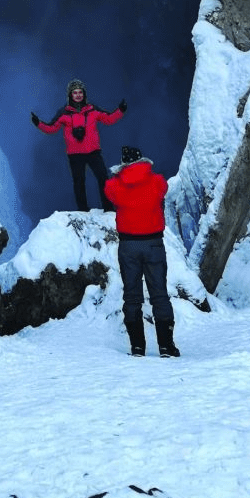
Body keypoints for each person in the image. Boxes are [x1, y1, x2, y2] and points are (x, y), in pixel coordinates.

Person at [104, 145, 180, 358]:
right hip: (154, 244)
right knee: (160, 295)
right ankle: (166, 346)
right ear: (142, 160)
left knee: (132, 296)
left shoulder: (115, 186)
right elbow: (163, 187)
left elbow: (109, 187)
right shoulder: (156, 181)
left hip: (128, 246)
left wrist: (121, 173)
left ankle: (137, 347)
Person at [30, 78, 127, 211]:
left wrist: (120, 110)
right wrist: (38, 123)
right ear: (70, 95)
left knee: (103, 178)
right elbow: (52, 128)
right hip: (75, 154)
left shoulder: (92, 109)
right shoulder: (63, 112)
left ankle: (108, 208)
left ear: (84, 94)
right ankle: (83, 210)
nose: (78, 95)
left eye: (80, 92)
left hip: (93, 151)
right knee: (79, 183)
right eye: (75, 92)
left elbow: (108, 119)